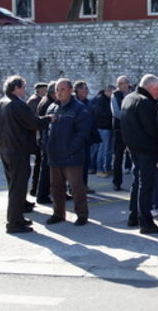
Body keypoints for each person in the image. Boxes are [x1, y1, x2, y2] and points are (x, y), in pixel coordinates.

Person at [0, 75, 54, 234]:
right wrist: (50, 118)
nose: (25, 91)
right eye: (23, 87)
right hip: (17, 151)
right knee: (17, 188)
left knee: (14, 186)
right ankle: (13, 223)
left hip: (4, 149)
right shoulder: (17, 105)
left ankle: (18, 218)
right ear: (16, 88)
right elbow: (33, 123)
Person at [45, 79, 92, 226]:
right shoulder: (52, 107)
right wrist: (45, 145)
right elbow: (46, 129)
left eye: (62, 89)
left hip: (72, 156)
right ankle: (58, 213)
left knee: (76, 187)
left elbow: (83, 132)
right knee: (56, 187)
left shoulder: (79, 108)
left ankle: (82, 215)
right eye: (57, 90)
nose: (59, 92)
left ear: (71, 90)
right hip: (55, 155)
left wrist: (71, 148)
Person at [121, 74, 158, 233]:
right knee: (145, 186)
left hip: (134, 148)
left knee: (137, 183)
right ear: (151, 88)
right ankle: (145, 222)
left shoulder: (128, 98)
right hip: (146, 150)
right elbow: (152, 130)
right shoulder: (144, 103)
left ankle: (134, 216)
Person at [35, 81, 57, 204]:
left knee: (47, 168)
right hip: (46, 139)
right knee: (46, 169)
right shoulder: (48, 104)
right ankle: (42, 195)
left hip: (44, 138)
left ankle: (43, 193)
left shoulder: (45, 101)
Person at [111, 75, 133, 191]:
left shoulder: (134, 93)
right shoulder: (115, 95)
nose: (121, 86)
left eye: (123, 83)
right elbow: (116, 112)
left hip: (133, 130)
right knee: (118, 157)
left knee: (136, 155)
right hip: (120, 130)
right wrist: (130, 118)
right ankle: (117, 182)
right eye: (119, 84)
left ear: (127, 83)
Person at [26, 82, 48, 197]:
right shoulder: (34, 101)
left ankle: (36, 188)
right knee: (39, 164)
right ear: (39, 90)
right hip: (36, 137)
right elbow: (33, 120)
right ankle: (35, 189)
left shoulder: (36, 100)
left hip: (37, 136)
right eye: (45, 89)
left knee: (39, 164)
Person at [91, 85, 114, 177]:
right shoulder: (101, 100)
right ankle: (100, 169)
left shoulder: (108, 100)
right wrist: (112, 114)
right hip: (103, 128)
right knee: (103, 149)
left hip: (107, 127)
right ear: (107, 92)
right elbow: (101, 114)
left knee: (107, 150)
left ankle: (107, 168)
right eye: (111, 92)